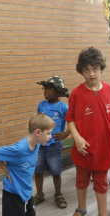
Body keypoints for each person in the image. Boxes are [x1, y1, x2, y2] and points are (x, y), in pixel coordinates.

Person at [66, 47, 110, 216]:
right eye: (87, 70)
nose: (91, 74)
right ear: (81, 71)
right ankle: (81, 208)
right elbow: (70, 119)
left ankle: (103, 215)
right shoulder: (76, 93)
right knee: (81, 180)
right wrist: (77, 137)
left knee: (101, 181)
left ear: (101, 69)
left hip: (104, 146)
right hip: (83, 147)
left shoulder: (107, 88)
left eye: (95, 69)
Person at [33, 76, 70, 209]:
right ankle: (39, 194)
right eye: (45, 89)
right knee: (38, 170)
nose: (46, 92)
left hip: (54, 145)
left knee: (55, 172)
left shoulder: (63, 107)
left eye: (50, 89)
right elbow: (38, 121)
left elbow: (73, 121)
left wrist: (66, 133)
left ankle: (58, 194)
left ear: (59, 92)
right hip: (40, 146)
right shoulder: (41, 105)